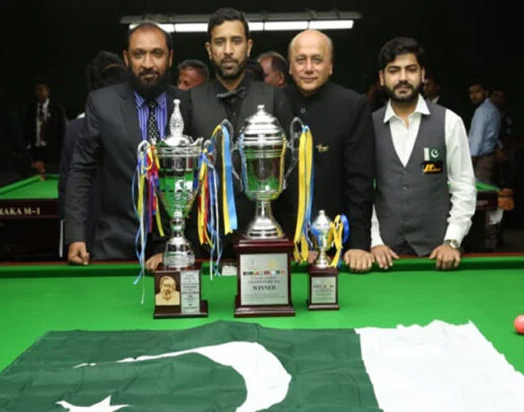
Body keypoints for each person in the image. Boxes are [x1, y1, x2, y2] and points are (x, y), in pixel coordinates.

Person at [144, 8, 295, 271]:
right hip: (200, 244)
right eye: (219, 42)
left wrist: (296, 240)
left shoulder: (273, 98)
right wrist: (165, 243)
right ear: (209, 49)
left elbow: (291, 175)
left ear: (248, 47)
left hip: (264, 240)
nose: (227, 50)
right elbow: (171, 176)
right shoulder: (190, 101)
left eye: (235, 41)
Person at [65, 22, 190, 265]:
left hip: (177, 243)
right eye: (138, 54)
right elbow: (81, 170)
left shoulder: (188, 104)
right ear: (126, 58)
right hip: (115, 243)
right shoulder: (101, 104)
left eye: (157, 53)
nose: (148, 64)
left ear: (170, 57)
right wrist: (76, 236)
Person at [370, 37, 476, 270]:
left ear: (423, 74)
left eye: (411, 69)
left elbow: (464, 186)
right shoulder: (367, 126)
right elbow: (361, 192)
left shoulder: (450, 121)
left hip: (438, 254)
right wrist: (374, 241)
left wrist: (452, 240)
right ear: (382, 78)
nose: (403, 78)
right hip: (384, 255)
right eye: (394, 70)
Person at [284, 30, 375, 272]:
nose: (309, 68)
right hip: (286, 247)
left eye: (317, 59)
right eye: (300, 60)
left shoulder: (352, 106)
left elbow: (360, 182)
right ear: (290, 67)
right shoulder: (275, 103)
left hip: (338, 244)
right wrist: (290, 242)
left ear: (331, 66)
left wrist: (359, 244)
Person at [58, 51, 128, 251]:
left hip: (88, 234)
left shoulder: (74, 128)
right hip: (134, 236)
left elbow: (66, 187)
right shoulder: (143, 119)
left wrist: (72, 237)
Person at [24, 79, 66, 174]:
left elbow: (62, 131)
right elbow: (27, 129)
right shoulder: (31, 109)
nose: (38, 93)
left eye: (41, 90)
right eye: (36, 90)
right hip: (36, 150)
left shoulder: (57, 108)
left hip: (52, 151)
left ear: (48, 91)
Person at [467, 80, 501, 184]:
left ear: (486, 93)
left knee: (480, 194)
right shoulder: (493, 109)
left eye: (477, 92)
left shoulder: (482, 111)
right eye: (471, 93)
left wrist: (470, 161)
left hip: (480, 160)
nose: (473, 96)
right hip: (489, 157)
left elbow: (477, 140)